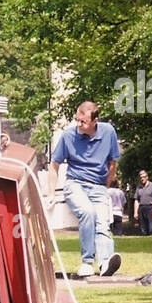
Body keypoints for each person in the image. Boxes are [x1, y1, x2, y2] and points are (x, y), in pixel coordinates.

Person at [48, 101, 122, 277]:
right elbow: (54, 165)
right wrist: (51, 193)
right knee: (88, 212)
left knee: (103, 224)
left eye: (83, 122)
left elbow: (113, 163)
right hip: (75, 183)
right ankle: (87, 262)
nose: (79, 125)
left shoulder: (108, 132)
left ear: (95, 121)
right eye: (77, 120)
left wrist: (106, 185)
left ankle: (105, 263)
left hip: (98, 186)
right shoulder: (68, 136)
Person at [135, 169, 152, 235]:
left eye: (144, 177)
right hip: (141, 208)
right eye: (141, 178)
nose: (142, 179)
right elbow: (136, 200)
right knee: (143, 229)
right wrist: (135, 212)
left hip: (150, 207)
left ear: (147, 177)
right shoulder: (138, 187)